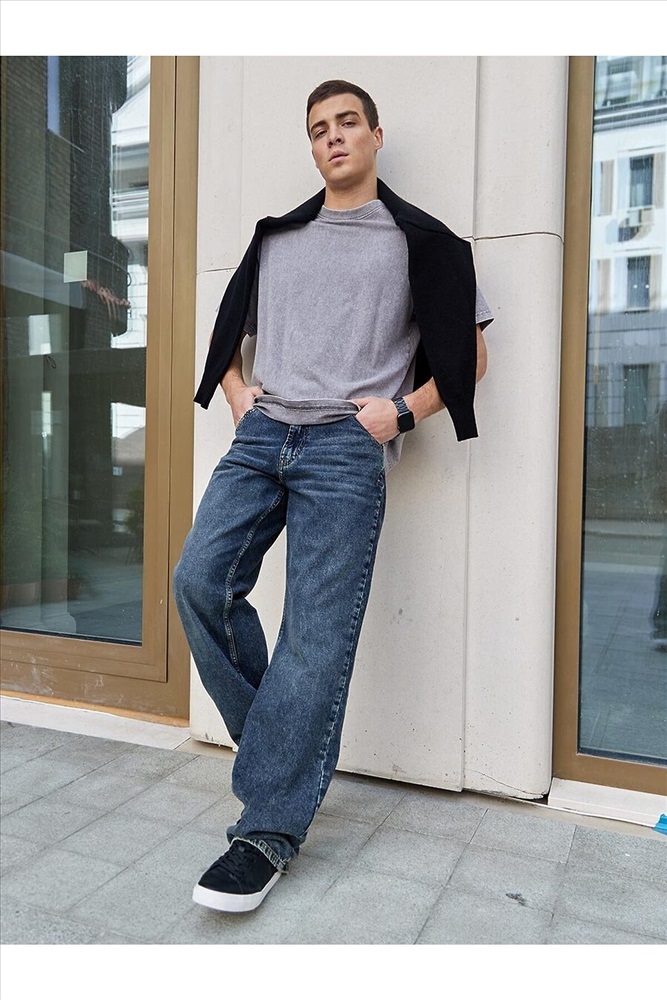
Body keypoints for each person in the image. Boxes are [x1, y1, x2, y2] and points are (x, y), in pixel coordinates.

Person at [173, 79, 493, 913]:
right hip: (262, 436)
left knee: (315, 636)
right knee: (199, 582)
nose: (333, 138)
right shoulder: (277, 237)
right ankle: (277, 752)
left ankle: (265, 833)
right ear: (311, 146)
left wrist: (400, 414)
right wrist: (238, 396)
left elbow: (468, 358)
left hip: (346, 450)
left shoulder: (421, 241)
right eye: (319, 129)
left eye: (347, 123)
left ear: (375, 135)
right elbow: (227, 337)